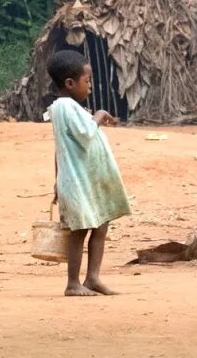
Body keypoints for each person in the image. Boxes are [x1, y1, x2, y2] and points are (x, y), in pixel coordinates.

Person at [46, 49, 131, 297]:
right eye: (87, 80)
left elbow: (59, 149)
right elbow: (85, 134)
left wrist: (56, 178)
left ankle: (92, 277)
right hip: (77, 181)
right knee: (79, 230)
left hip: (86, 180)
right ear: (70, 83)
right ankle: (73, 283)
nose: (90, 86)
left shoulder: (69, 107)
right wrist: (100, 115)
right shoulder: (64, 106)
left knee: (101, 225)